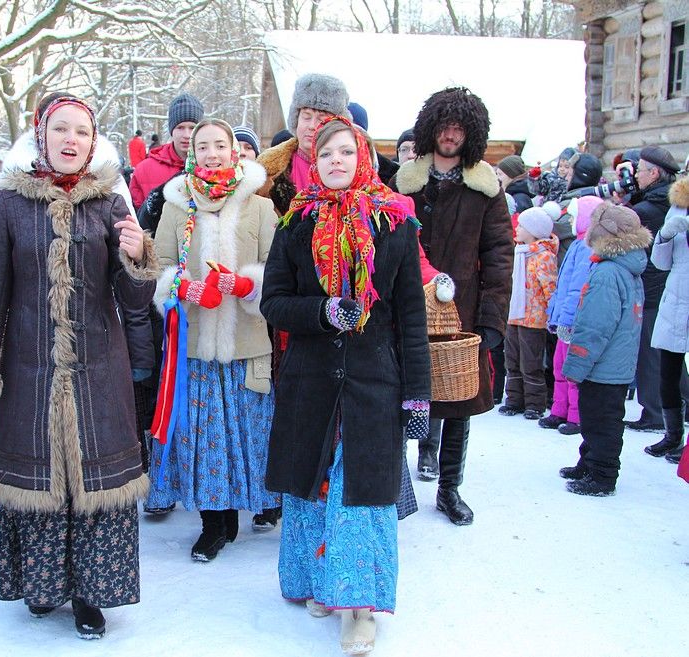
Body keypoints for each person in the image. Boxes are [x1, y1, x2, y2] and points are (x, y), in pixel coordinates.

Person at [0, 95, 156, 640]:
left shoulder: (112, 204)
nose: (72, 140)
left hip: (99, 367)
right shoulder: (8, 205)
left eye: (83, 132)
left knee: (94, 479)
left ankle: (92, 595)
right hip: (31, 368)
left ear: (95, 143)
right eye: (61, 130)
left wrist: (139, 257)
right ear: (40, 136)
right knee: (42, 477)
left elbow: (134, 303)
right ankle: (44, 586)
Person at [261, 116, 430, 656]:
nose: (337, 161)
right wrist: (324, 311)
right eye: (327, 153)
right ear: (316, 161)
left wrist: (418, 394)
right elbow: (274, 302)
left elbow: (410, 318)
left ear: (364, 159)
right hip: (310, 381)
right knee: (312, 485)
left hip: (373, 382)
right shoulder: (295, 224)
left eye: (346, 152)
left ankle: (359, 608)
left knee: (362, 492)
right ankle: (319, 582)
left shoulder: (396, 226)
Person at [146, 118, 279, 558]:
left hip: (246, 342)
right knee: (202, 438)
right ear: (192, 153)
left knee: (244, 434)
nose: (212, 153)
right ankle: (213, 524)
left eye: (220, 145)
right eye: (203, 146)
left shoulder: (261, 207)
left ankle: (241, 514)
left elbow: (276, 271)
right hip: (195, 344)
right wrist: (181, 288)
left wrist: (247, 286)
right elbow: (159, 265)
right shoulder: (177, 205)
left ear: (235, 150)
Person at [389, 87, 513, 525]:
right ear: (431, 128)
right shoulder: (404, 183)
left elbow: (500, 253)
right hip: (406, 311)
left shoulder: (485, 189)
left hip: (465, 312)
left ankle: (449, 488)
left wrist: (493, 318)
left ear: (472, 133)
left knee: (461, 403)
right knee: (401, 398)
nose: (451, 135)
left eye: (460, 127)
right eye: (445, 125)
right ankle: (394, 486)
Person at [560, 204, 653, 496]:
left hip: (603, 364)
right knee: (595, 416)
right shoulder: (626, 268)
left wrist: (577, 364)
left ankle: (603, 475)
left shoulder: (608, 272)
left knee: (602, 422)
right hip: (616, 362)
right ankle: (589, 462)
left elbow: (596, 326)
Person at [628, 146, 683, 435]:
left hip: (651, 286)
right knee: (668, 348)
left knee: (650, 350)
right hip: (665, 286)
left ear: (655, 173)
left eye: (640, 169)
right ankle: (679, 403)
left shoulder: (647, 209)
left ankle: (653, 412)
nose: (635, 174)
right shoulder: (666, 203)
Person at [542, 197, 602, 435]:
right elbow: (563, 284)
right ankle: (559, 410)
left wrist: (565, 318)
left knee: (573, 370)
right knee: (559, 366)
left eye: (576, 216)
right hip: (564, 318)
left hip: (573, 321)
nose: (572, 220)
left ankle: (576, 416)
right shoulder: (578, 243)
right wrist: (554, 312)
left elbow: (577, 287)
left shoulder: (588, 246)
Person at [258, 73, 350, 216]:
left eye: (321, 119)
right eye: (306, 117)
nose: (312, 126)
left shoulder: (353, 170)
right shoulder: (267, 171)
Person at [645, 168, 689, 463]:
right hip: (677, 299)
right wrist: (665, 234)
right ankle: (672, 437)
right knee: (668, 372)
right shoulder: (679, 205)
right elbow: (660, 263)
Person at [498, 207, 558, 419]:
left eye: (522, 226)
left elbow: (549, 288)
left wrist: (552, 314)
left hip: (533, 317)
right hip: (514, 314)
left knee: (531, 362)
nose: (517, 228)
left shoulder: (543, 257)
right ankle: (514, 399)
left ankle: (534, 403)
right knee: (512, 359)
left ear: (533, 230)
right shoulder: (519, 253)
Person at [129, 93, 204, 208]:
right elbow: (136, 218)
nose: (186, 135)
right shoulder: (144, 170)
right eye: (180, 128)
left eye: (192, 128)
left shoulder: (212, 165)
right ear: (171, 130)